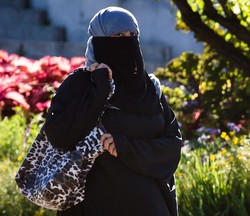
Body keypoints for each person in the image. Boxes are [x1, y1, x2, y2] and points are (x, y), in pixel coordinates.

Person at [44, 6, 182, 216]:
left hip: (149, 206)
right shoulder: (80, 84)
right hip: (92, 206)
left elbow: (172, 144)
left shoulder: (150, 88)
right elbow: (59, 136)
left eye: (132, 35)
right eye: (117, 35)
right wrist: (100, 90)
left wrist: (126, 148)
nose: (126, 41)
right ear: (98, 40)